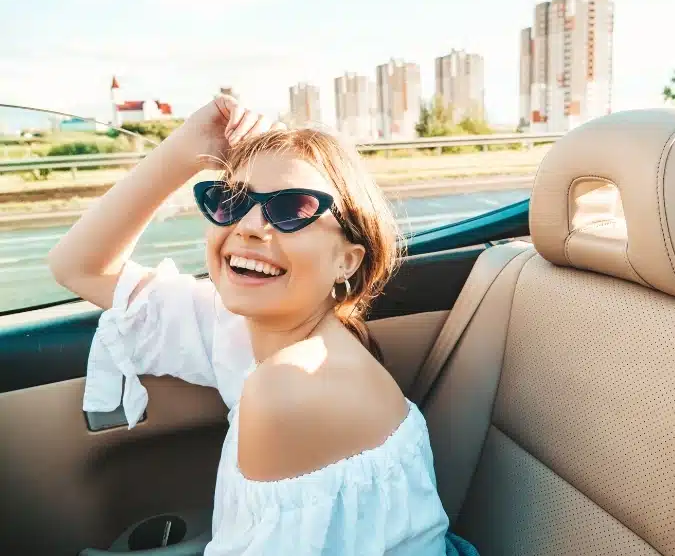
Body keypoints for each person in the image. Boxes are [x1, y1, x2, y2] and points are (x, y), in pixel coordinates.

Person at [48, 95, 478, 555]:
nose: (250, 225)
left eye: (293, 208)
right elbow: (78, 267)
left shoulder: (287, 389)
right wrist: (185, 150)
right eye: (229, 200)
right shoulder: (242, 325)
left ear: (346, 261)